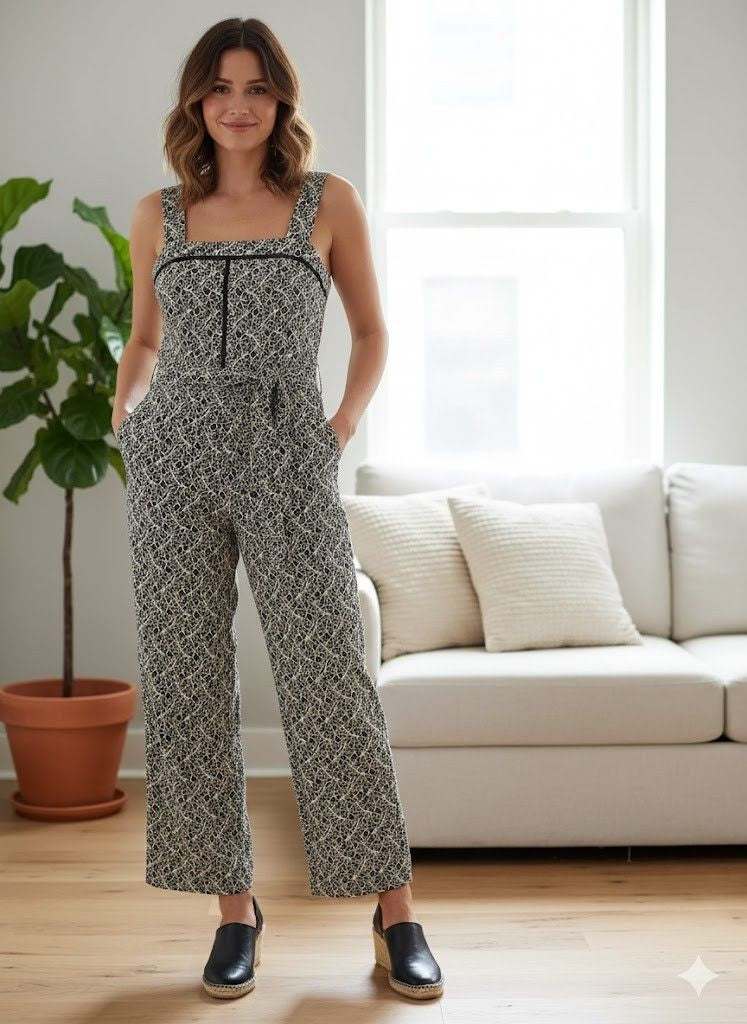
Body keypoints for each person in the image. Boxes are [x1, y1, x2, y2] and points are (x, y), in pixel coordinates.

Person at [112, 17, 444, 1002]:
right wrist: (126, 412)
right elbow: (143, 339)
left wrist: (336, 428)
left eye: (256, 87)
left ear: (281, 99)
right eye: (219, 87)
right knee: (185, 680)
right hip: (174, 458)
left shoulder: (325, 202)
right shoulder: (159, 214)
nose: (237, 105)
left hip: (289, 451)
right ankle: (233, 911)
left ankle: (396, 912)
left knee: (329, 674)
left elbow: (373, 331)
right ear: (196, 101)